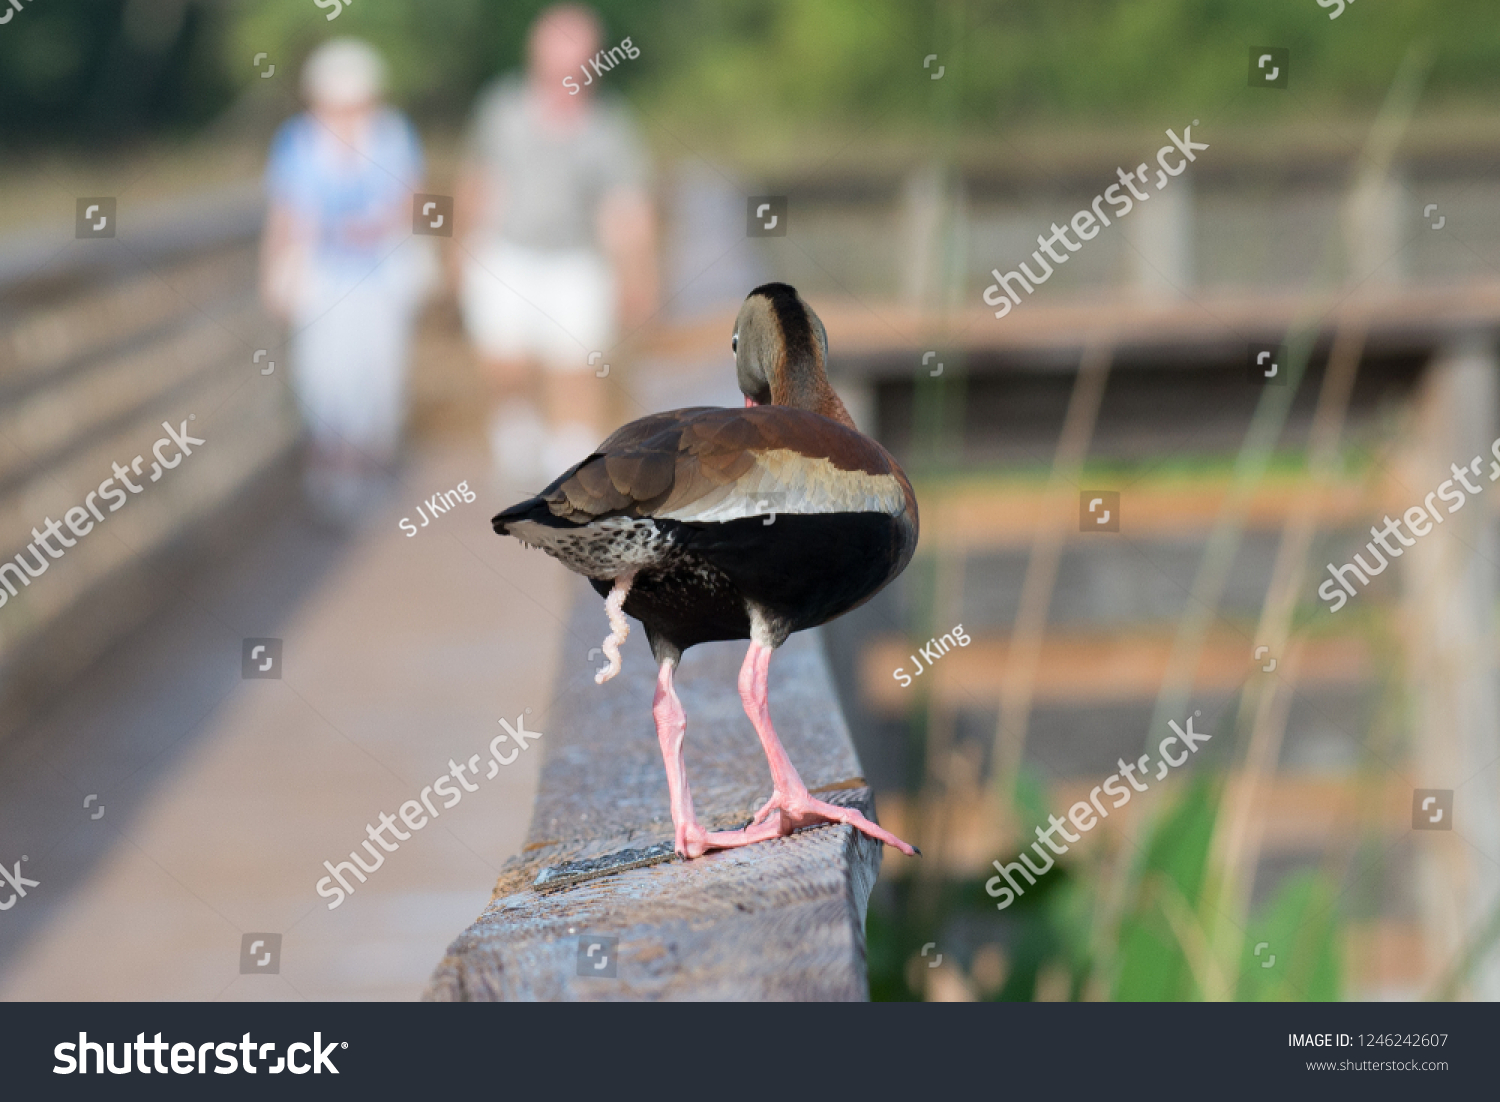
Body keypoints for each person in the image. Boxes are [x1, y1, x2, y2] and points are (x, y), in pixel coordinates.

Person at [455, 4, 656, 487]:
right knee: (505, 362)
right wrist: (459, 248)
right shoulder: (502, 107)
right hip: (506, 253)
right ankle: (517, 439)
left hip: (576, 260)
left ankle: (570, 466)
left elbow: (625, 209)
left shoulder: (608, 126)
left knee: (576, 365)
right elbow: (478, 180)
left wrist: (638, 275)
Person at [260, 38, 434, 522]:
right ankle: (329, 477)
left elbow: (416, 203)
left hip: (380, 281)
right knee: (322, 380)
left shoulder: (393, 135)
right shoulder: (296, 140)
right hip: (321, 282)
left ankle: (367, 473)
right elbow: (285, 213)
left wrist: (379, 224)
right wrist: (273, 273)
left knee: (376, 381)